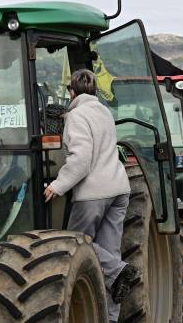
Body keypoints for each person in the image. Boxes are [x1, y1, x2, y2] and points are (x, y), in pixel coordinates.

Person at [43, 69, 135, 322]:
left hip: (93, 193)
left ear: (71, 92)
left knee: (75, 244)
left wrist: (58, 185)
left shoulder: (76, 115)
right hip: (119, 189)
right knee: (109, 254)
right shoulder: (104, 112)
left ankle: (119, 271)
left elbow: (81, 159)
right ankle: (111, 318)